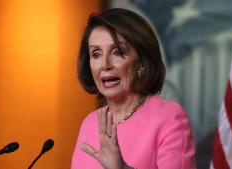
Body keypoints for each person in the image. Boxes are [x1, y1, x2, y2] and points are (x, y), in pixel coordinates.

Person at [71, 8, 196, 169]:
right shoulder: (89, 123)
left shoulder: (169, 118)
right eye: (96, 54)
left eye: (117, 52)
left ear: (141, 62)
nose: (105, 65)